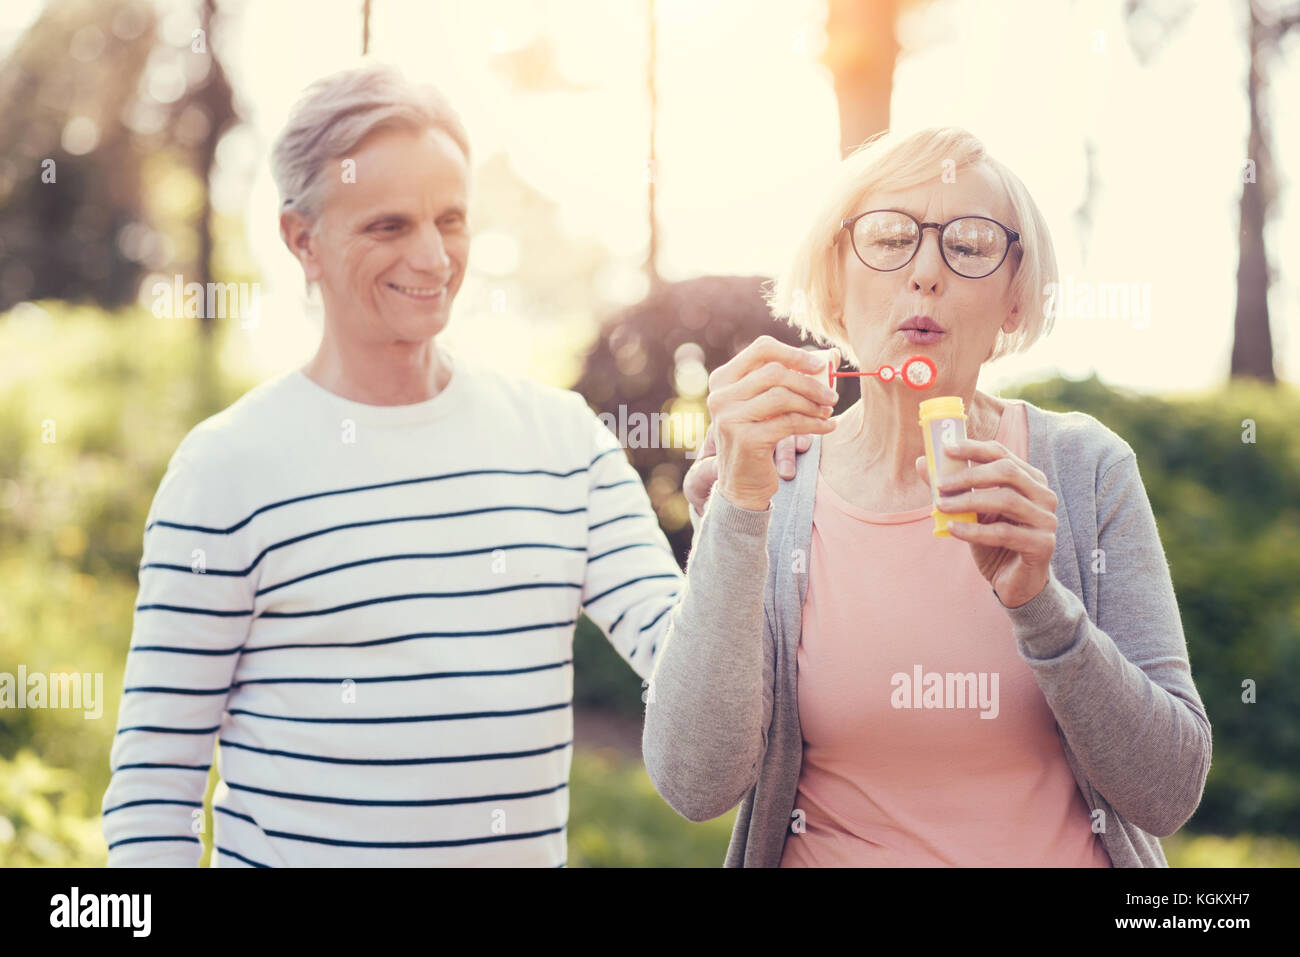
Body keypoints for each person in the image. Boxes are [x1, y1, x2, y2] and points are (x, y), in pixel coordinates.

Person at [101, 61, 705, 867]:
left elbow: (691, 665)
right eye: (388, 227)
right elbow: (154, 790)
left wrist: (739, 514)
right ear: (300, 239)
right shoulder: (226, 470)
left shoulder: (563, 442)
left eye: (449, 220)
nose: (432, 258)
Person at [649, 126, 1212, 867]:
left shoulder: (1084, 469)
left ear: (1014, 300)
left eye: (971, 245)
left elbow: (1168, 792)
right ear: (833, 285)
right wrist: (738, 512)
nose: (925, 272)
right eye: (888, 238)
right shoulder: (771, 480)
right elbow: (694, 782)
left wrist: (1042, 605)